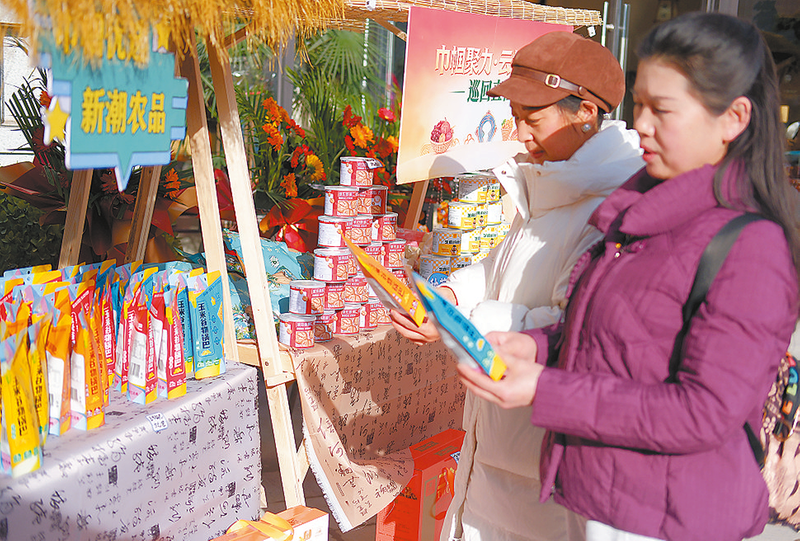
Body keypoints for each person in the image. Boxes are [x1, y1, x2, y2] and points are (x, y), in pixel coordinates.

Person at [458, 12, 800, 541]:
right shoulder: (639, 211)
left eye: (662, 109)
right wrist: (537, 346)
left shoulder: (751, 246)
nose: (641, 124)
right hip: (601, 498)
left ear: (733, 118)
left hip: (669, 516)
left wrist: (547, 387)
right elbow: (619, 336)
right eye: (639, 105)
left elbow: (704, 411)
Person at [391, 32, 644, 541]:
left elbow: (575, 326)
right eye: (515, 115)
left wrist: (457, 321)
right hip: (497, 444)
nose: (520, 133)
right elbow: (501, 268)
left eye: (534, 118)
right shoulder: (550, 180)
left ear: (586, 113)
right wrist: (450, 296)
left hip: (546, 465)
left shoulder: (613, 208)